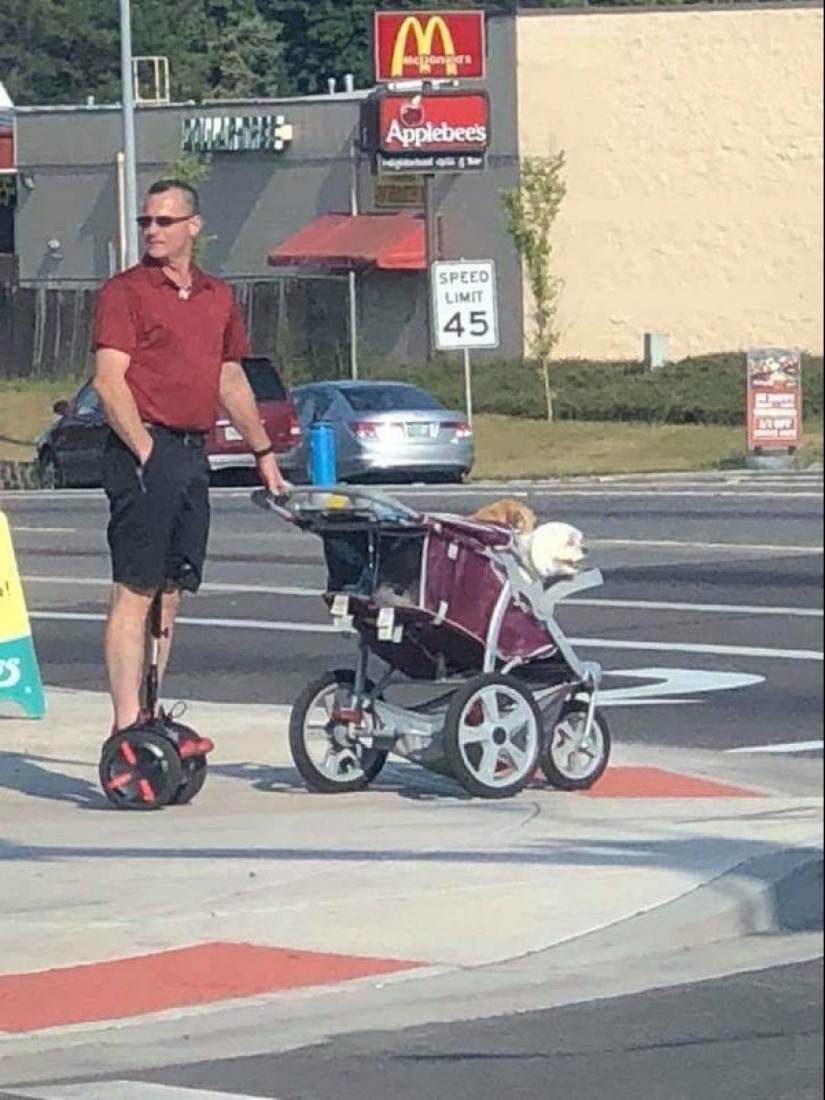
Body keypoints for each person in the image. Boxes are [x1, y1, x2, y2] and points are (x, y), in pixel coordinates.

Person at [93, 177, 288, 741]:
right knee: (135, 585)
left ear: (192, 228)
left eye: (164, 221)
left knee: (171, 588)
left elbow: (229, 378)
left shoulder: (216, 297)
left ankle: (153, 709)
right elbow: (109, 383)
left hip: (190, 450)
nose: (152, 231)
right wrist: (146, 450)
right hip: (142, 450)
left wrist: (264, 454)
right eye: (146, 222)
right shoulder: (125, 292)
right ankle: (126, 724)